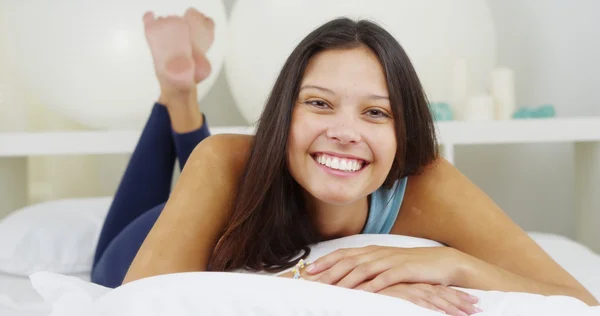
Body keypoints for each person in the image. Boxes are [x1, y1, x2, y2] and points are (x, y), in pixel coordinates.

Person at [91, 7, 598, 315]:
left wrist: (453, 263)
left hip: (242, 184)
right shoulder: (223, 159)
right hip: (132, 251)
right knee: (106, 257)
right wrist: (328, 284)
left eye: (376, 113)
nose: (345, 132)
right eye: (318, 103)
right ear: (282, 115)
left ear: (404, 133)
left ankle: (179, 91)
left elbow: (579, 303)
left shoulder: (429, 185)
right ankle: (178, 96)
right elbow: (146, 299)